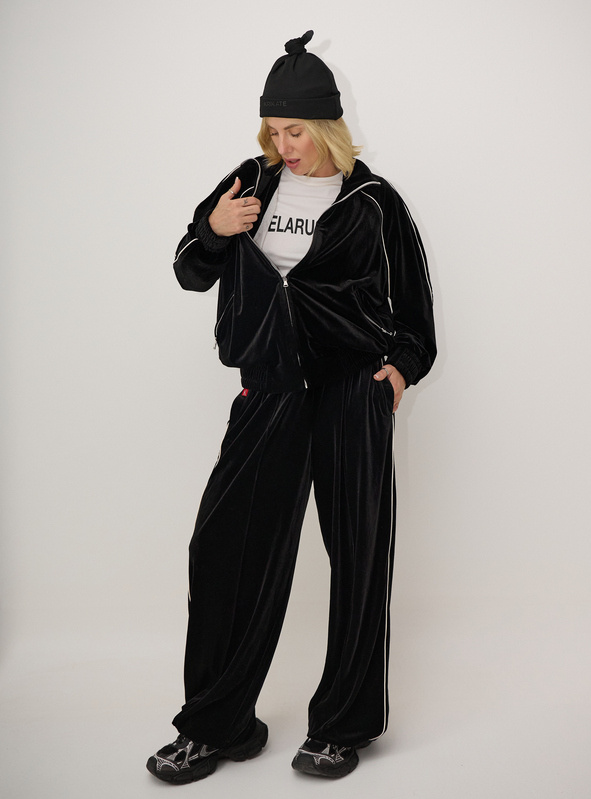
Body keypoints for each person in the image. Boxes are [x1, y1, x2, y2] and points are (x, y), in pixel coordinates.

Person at [146, 30, 436, 783]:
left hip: (350, 394)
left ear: (328, 126)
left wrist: (397, 374)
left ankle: (342, 725)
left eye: (296, 131)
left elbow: (417, 317)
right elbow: (188, 269)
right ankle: (217, 725)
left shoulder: (374, 203)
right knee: (223, 550)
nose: (284, 145)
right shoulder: (250, 184)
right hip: (269, 391)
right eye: (274, 131)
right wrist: (213, 231)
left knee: (358, 558)